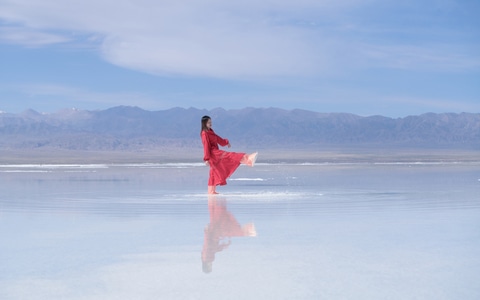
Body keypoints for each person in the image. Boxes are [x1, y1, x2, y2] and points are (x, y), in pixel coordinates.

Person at [200, 115, 257, 194]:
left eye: (211, 122)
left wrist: (226, 142)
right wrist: (206, 158)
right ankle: (248, 159)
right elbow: (206, 146)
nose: (211, 124)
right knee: (230, 155)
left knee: (213, 171)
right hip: (213, 154)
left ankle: (211, 191)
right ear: (204, 123)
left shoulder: (210, 131)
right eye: (209, 122)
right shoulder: (204, 133)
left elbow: (218, 139)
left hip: (215, 152)